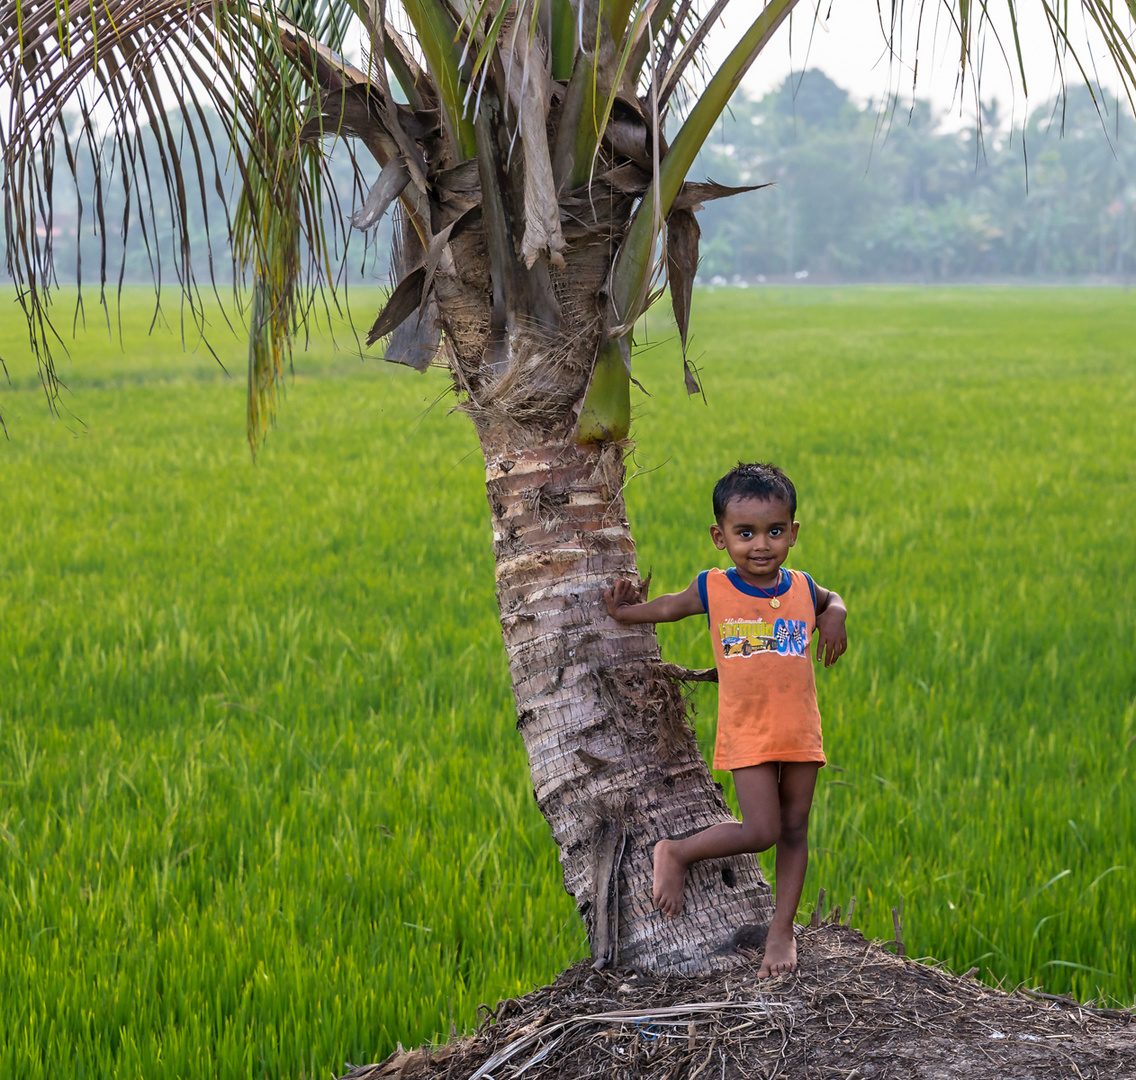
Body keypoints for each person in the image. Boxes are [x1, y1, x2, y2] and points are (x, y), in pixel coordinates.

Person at [604, 462, 848, 978]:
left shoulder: (802, 586)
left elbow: (832, 600)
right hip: (749, 731)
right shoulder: (715, 588)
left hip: (800, 729)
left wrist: (836, 616)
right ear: (721, 537)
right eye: (745, 533)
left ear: (793, 533)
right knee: (762, 830)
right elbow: (671, 607)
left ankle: (782, 933)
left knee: (796, 829)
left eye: (775, 531)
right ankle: (675, 851)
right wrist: (626, 614)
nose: (761, 545)